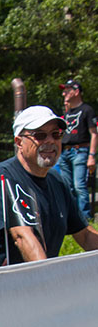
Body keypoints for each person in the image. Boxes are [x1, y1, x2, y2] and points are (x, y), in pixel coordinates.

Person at [0, 105, 98, 266]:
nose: (50, 141)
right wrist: (48, 278)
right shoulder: (3, 175)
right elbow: (22, 236)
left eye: (56, 134)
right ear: (19, 142)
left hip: (38, 279)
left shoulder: (56, 180)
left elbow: (85, 235)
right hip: (2, 284)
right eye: (40, 135)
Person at [55, 79, 97, 221]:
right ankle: (71, 218)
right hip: (64, 152)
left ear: (76, 91)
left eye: (67, 90)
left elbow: (94, 133)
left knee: (79, 186)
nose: (64, 93)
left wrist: (92, 155)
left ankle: (85, 218)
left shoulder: (87, 110)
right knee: (67, 187)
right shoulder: (66, 114)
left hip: (80, 151)